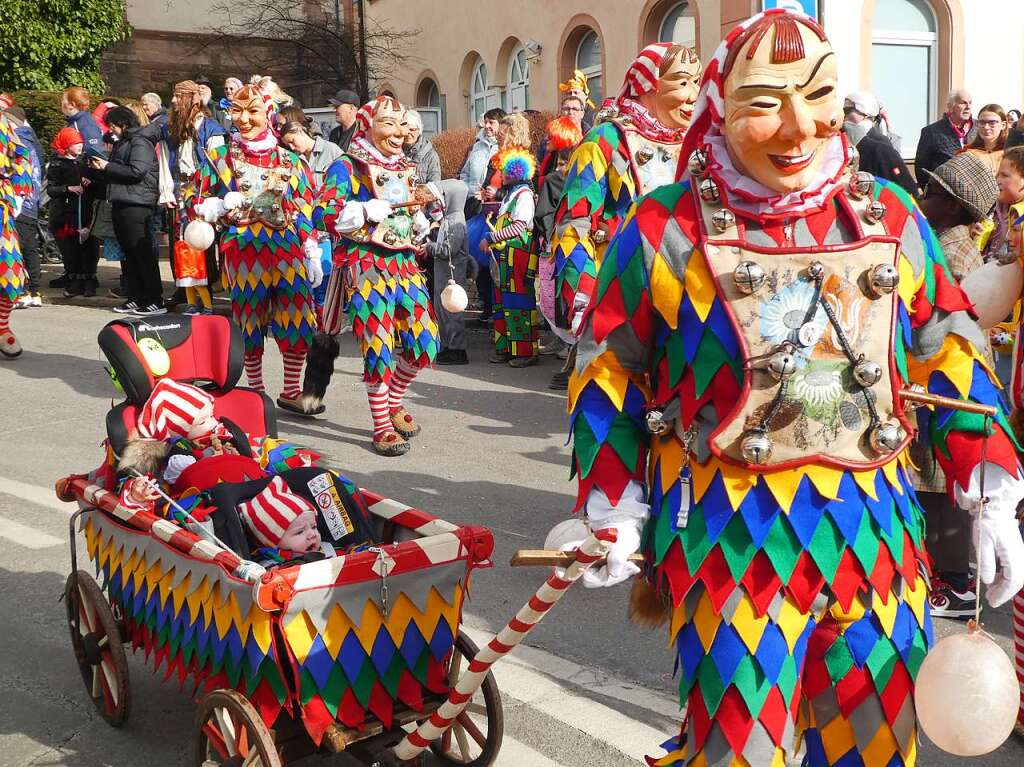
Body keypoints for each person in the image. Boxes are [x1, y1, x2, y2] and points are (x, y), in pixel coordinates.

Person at [557, 10, 1024, 766]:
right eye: (767, 102)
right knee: (738, 749)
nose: (799, 128)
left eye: (819, 96)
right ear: (720, 105)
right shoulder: (664, 228)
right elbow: (607, 363)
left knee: (875, 745)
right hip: (731, 544)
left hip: (877, 544)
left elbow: (948, 345)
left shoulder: (888, 214)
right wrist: (611, 498)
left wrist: (989, 478)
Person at [304, 96, 440, 456]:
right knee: (378, 348)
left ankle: (393, 402)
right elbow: (322, 214)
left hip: (404, 263)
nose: (399, 133)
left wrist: (419, 220)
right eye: (389, 124)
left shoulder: (405, 167)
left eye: (402, 124)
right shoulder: (347, 166)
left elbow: (408, 208)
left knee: (425, 342)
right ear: (366, 126)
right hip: (364, 264)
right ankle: (381, 424)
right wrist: (362, 209)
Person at [188, 81, 320, 414]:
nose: (244, 119)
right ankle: (256, 392)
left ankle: (291, 390)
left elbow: (303, 207)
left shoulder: (290, 160)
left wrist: (311, 246)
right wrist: (213, 205)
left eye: (253, 111)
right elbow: (193, 198)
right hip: (244, 248)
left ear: (270, 113)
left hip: (286, 247)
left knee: (297, 317)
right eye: (237, 111)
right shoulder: (220, 156)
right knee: (250, 320)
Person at [553, 44, 701, 334]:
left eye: (696, 82)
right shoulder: (605, 140)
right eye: (683, 82)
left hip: (688, 297)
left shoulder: (698, 143)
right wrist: (582, 297)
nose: (693, 94)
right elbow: (574, 223)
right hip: (621, 297)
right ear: (648, 86)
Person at [915, 152, 1001, 618]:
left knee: (937, 483)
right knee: (934, 479)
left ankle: (956, 584)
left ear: (950, 206)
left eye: (929, 193)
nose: (920, 198)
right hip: (943, 374)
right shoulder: (949, 241)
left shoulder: (949, 252)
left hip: (949, 377)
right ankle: (949, 575)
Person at [88, 106, 164, 315]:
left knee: (141, 253)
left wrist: (107, 167)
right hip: (122, 199)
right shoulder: (123, 141)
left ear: (123, 124)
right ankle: (136, 296)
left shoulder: (140, 141)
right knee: (129, 254)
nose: (111, 130)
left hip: (137, 203)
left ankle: (153, 298)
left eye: (113, 126)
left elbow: (137, 171)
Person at [534, 116, 583, 388]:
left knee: (568, 303)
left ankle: (576, 363)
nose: (546, 140)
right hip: (578, 244)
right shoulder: (558, 172)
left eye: (551, 137)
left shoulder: (556, 179)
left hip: (564, 247)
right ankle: (574, 360)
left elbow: (544, 217)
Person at [483, 128, 538, 367]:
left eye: (506, 170)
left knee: (518, 303)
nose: (502, 174)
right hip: (505, 259)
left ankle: (525, 352)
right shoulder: (510, 194)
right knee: (502, 302)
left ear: (517, 171)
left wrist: (491, 238)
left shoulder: (524, 195)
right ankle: (506, 348)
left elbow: (519, 227)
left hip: (518, 259)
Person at [46, 128, 98, 298]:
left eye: (81, 142)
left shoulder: (85, 161)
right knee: (70, 249)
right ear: (67, 146)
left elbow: (97, 182)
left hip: (86, 212)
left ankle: (89, 279)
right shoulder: (57, 164)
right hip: (66, 213)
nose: (80, 146)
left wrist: (90, 181)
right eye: (75, 143)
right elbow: (52, 189)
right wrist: (68, 188)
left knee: (89, 248)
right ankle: (74, 279)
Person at [0, 111, 34, 358]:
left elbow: (22, 155)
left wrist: (20, 190)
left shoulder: (2, 123)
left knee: (11, 273)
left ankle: (1, 326)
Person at [428, 179, 472, 365]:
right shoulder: (449, 219)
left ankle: (457, 348)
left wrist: (429, 248)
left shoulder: (456, 222)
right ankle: (447, 344)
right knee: (443, 310)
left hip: (451, 275)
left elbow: (448, 250)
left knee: (452, 310)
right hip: (444, 275)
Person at [4, 107, 44, 308]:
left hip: (19, 203)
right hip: (26, 201)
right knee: (26, 247)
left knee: (20, 248)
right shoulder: (29, 140)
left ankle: (26, 290)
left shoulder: (19, 142)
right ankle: (30, 291)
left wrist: (18, 199)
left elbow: (24, 173)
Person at [842, 90, 916, 196]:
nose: (845, 116)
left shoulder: (881, 147)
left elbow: (906, 189)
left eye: (849, 110)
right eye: (844, 111)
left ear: (866, 112)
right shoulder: (838, 143)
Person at [915, 89, 974, 187]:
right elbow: (921, 169)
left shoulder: (978, 129)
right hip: (943, 194)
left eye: (970, 103)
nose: (968, 107)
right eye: (963, 103)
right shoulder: (931, 132)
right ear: (950, 106)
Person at [459, 107, 504, 201]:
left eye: (491, 122)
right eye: (485, 122)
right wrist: (468, 191)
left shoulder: (504, 148)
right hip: (472, 200)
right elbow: (464, 173)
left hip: (492, 200)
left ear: (501, 125)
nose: (486, 126)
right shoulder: (477, 146)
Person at [962, 102, 1007, 176]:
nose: (986, 127)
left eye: (992, 123)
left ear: (1003, 125)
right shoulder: (967, 153)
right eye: (982, 122)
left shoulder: (1012, 154)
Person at [403, 110, 441, 185]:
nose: (408, 133)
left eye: (412, 129)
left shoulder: (430, 155)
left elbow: (435, 187)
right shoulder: (396, 152)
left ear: (419, 130)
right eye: (405, 130)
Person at [60, 87, 103, 151]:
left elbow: (94, 153)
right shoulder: (73, 122)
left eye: (63, 99)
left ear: (72, 104)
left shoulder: (87, 125)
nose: (61, 102)